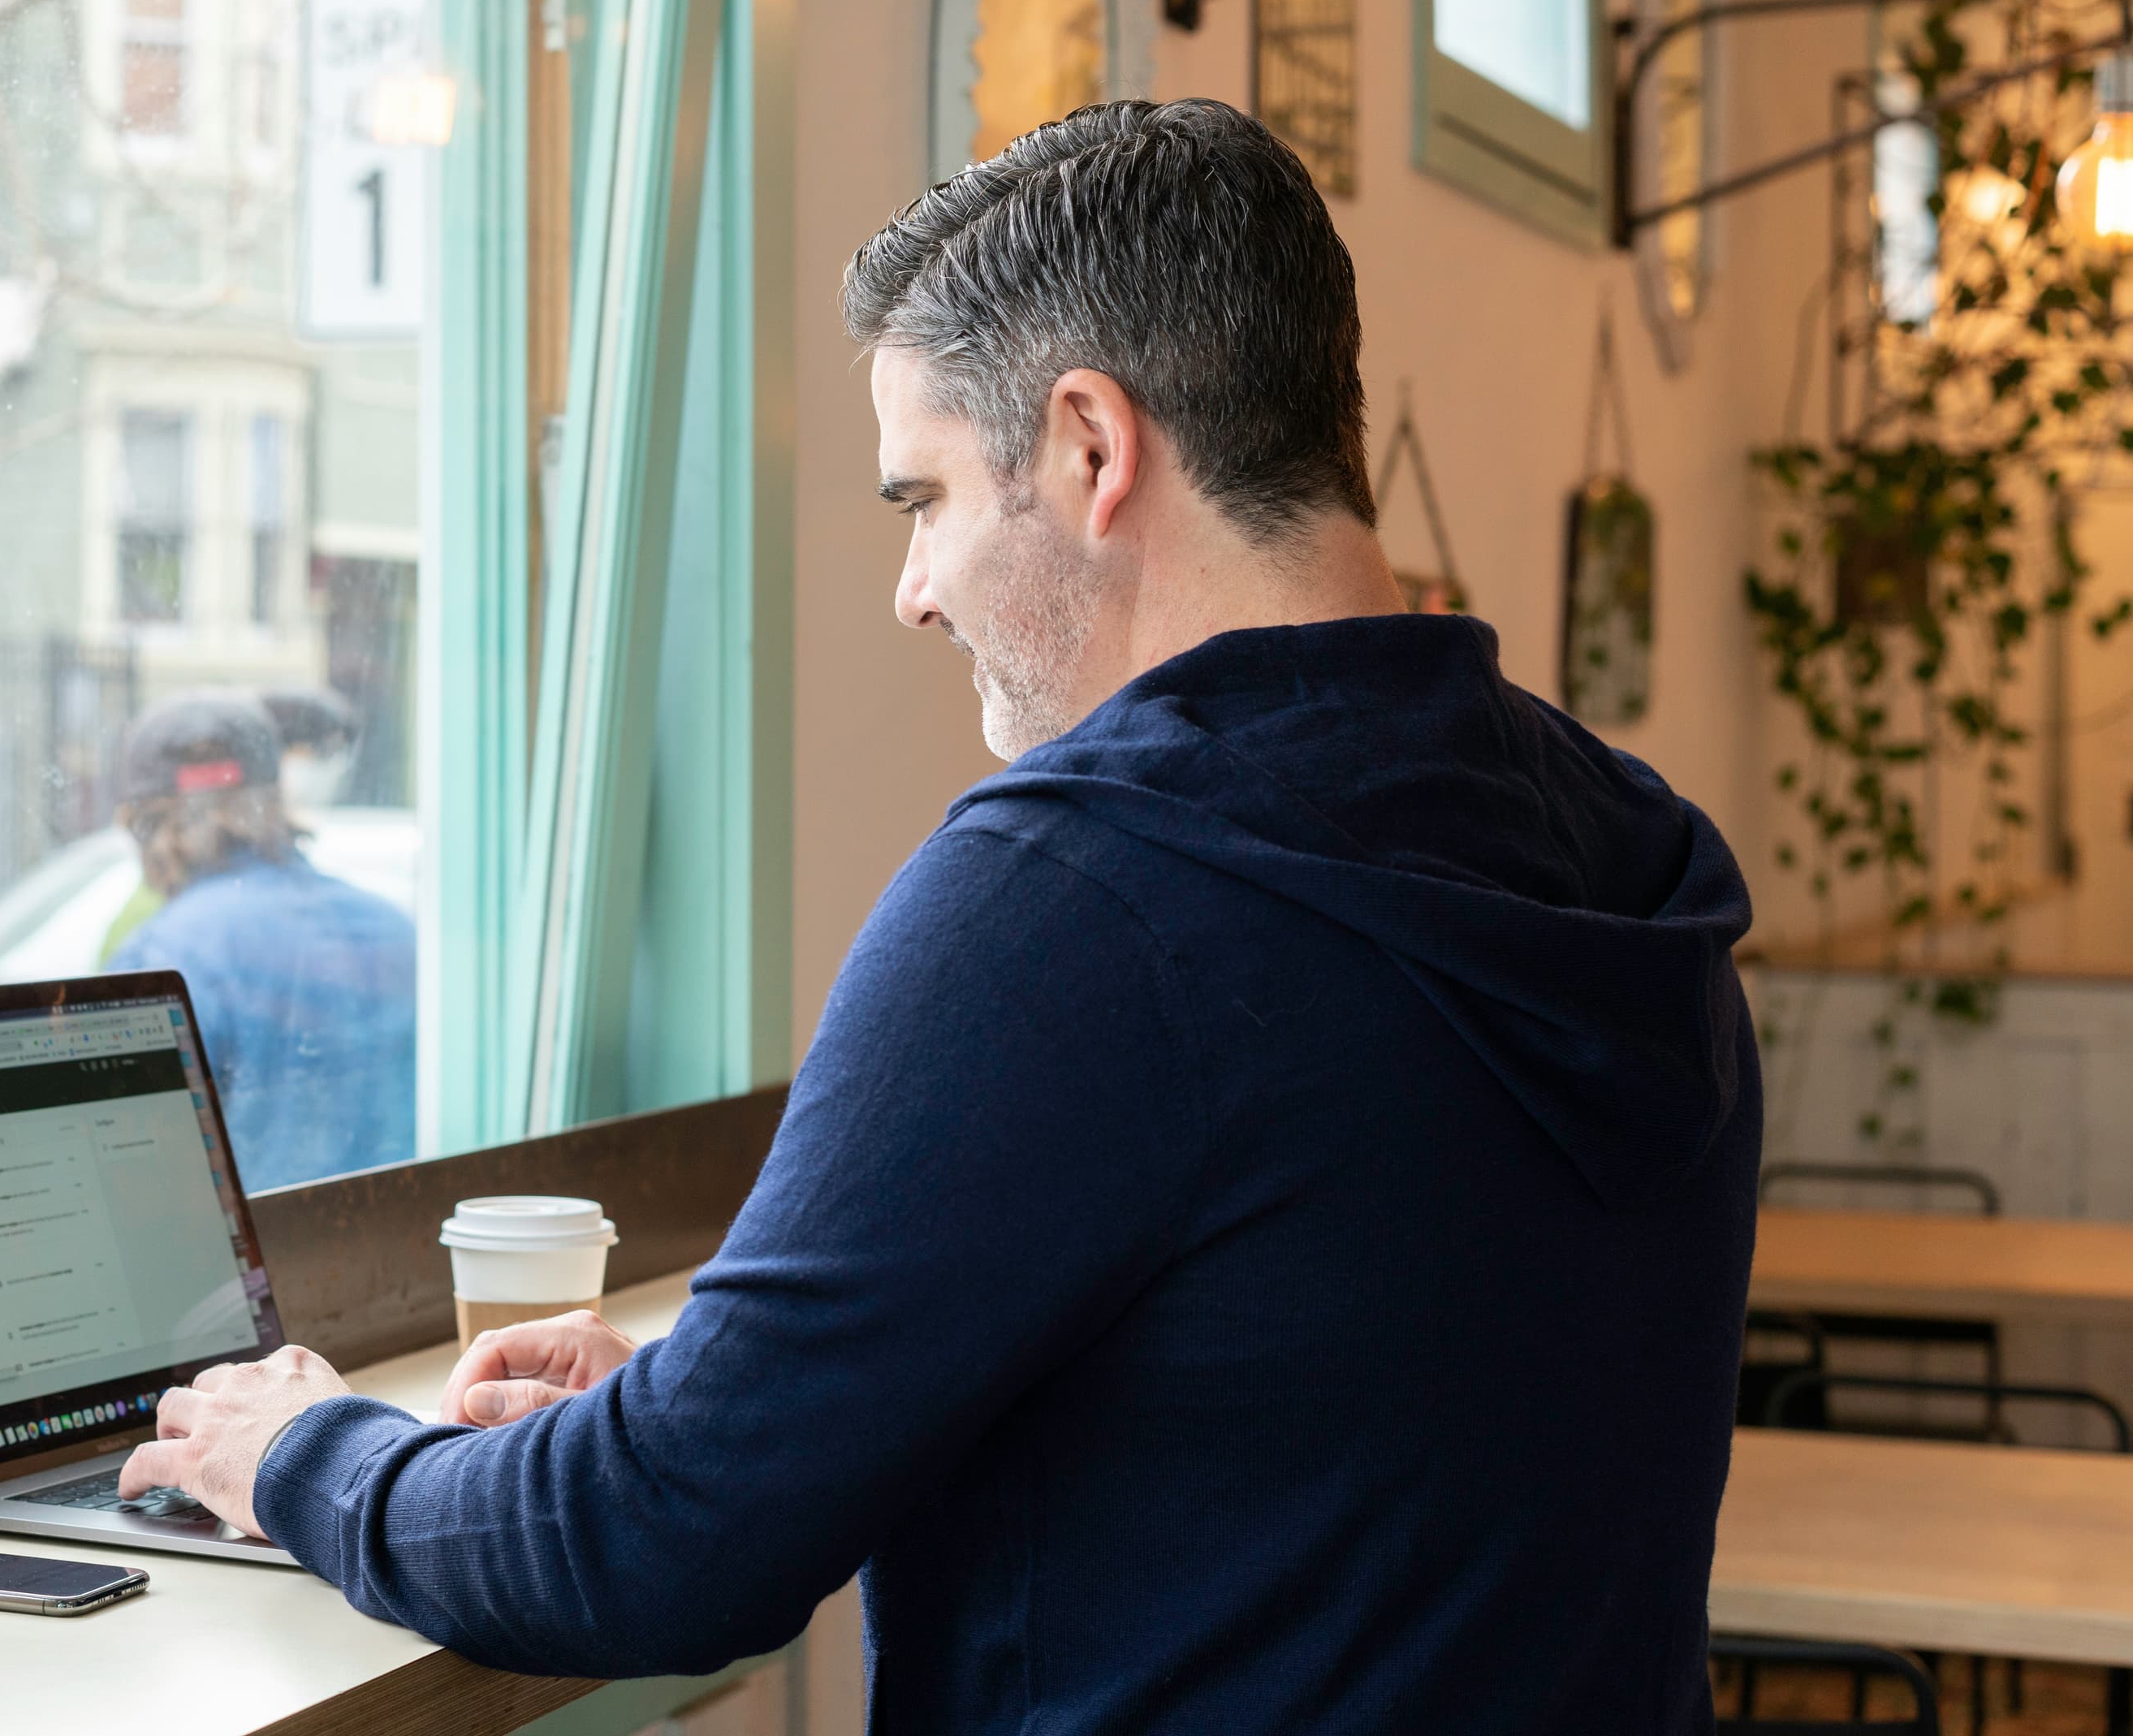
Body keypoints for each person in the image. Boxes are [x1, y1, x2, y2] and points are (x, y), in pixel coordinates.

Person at [122, 100, 1759, 1730]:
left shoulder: (1084, 893)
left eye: (924, 499)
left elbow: (662, 1544)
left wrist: (303, 1452)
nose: (915, 588)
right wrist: (759, 1409)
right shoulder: (1610, 851)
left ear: (1092, 448)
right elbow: (1327, 1413)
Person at [108, 692, 414, 1190]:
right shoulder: (394, 928)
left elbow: (134, 1178)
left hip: (265, 1262)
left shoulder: (161, 960)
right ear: (274, 802)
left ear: (148, 826)